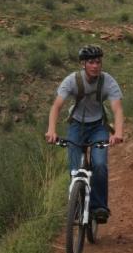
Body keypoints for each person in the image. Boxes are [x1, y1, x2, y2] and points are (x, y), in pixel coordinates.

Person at [45, 45, 124, 222]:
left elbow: (117, 109)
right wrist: (51, 130)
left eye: (98, 62)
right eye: (91, 62)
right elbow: (56, 106)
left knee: (99, 165)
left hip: (98, 126)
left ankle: (99, 207)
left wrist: (117, 132)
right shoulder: (72, 81)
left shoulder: (108, 81)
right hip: (76, 126)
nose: (95, 66)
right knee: (74, 169)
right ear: (83, 64)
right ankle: (76, 206)